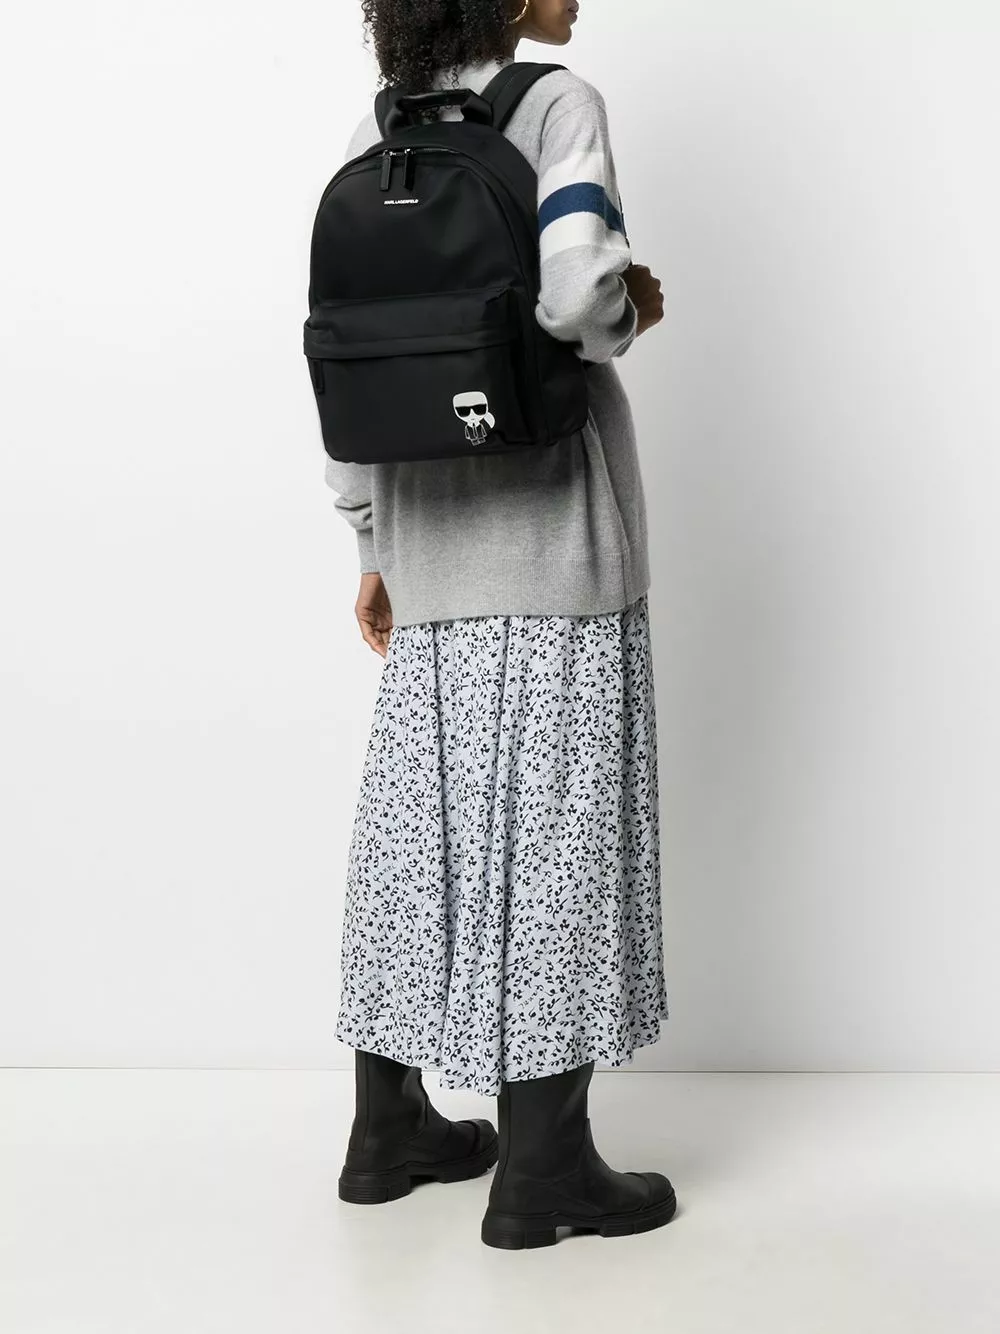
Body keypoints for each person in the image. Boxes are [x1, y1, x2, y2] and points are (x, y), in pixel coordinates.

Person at [326, 0, 675, 1249]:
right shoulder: (555, 107)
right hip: (550, 540)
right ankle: (543, 1168)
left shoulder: (383, 134)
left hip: (425, 541)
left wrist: (371, 542)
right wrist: (628, 308)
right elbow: (577, 291)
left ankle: (387, 1129)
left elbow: (343, 354)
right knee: (559, 838)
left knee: (416, 830)